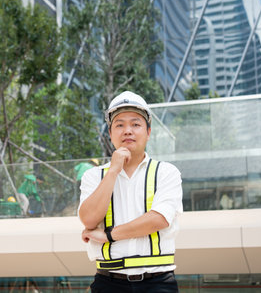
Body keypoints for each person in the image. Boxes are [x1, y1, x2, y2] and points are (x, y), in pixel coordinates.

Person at [78, 91, 183, 292]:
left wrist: (108, 236)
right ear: (110, 133)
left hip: (158, 282)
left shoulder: (166, 172)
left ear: (148, 132)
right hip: (108, 282)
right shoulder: (93, 176)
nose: (128, 130)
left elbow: (158, 219)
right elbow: (89, 219)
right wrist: (113, 170)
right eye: (119, 125)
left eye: (135, 124)